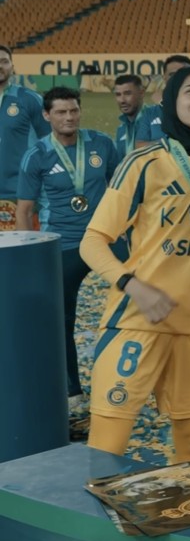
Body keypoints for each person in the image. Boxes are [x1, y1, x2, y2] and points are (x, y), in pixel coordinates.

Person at [81, 67, 190, 462]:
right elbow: (93, 242)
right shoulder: (144, 163)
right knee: (107, 446)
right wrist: (134, 285)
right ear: (171, 104)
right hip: (137, 321)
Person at [18, 87, 120, 414]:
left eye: (74, 110)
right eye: (61, 112)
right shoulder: (37, 155)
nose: (69, 117)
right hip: (65, 243)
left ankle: (153, 380)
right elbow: (24, 211)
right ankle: (73, 393)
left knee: (144, 295)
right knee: (60, 320)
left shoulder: (102, 143)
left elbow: (121, 188)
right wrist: (29, 257)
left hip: (107, 238)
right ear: (46, 116)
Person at [0, 44, 49, 231]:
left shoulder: (28, 99)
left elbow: (50, 144)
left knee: (23, 255)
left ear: (12, 66)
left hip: (21, 194)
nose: (0, 66)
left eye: (4, 61)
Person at [112, 74, 163, 155]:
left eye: (128, 93)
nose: (122, 100)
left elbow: (172, 145)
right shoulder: (121, 130)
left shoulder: (156, 117)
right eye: (118, 95)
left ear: (142, 94)